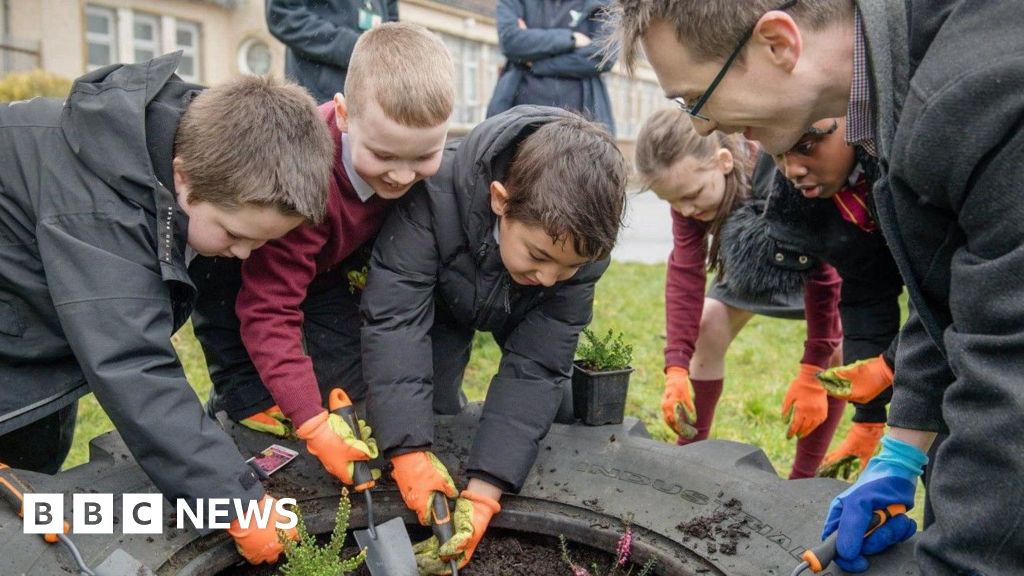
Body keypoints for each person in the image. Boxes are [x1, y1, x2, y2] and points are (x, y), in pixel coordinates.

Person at [612, 1, 1024, 573]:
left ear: (778, 43)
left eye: (696, 99)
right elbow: (953, 299)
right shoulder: (895, 105)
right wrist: (901, 455)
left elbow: (1009, 374)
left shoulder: (979, 97)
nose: (703, 127)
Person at [0, 53, 335, 564]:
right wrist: (236, 502)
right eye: (237, 236)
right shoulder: (100, 204)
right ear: (184, 179)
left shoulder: (214, 151)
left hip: (34, 331)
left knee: (33, 485)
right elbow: (132, 362)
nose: (244, 253)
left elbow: (221, 290)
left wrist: (246, 393)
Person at [360, 106, 627, 573]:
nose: (550, 278)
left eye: (569, 268)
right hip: (440, 298)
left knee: (553, 407)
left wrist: (486, 491)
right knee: (429, 408)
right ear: (501, 199)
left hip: (514, 305)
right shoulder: (435, 193)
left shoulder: (575, 254)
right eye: (539, 255)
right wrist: (407, 450)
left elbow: (537, 365)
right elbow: (396, 323)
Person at [191, 23, 455, 489]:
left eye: (424, 157)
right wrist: (312, 423)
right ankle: (234, 403)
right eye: (383, 154)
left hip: (330, 269)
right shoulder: (306, 184)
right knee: (255, 381)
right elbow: (269, 308)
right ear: (345, 114)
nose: (401, 175)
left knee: (348, 392)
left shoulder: (406, 163)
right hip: (242, 268)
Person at [635, 108, 846, 480]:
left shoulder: (778, 166)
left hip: (813, 264)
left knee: (837, 355)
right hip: (749, 264)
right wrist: (676, 367)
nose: (686, 209)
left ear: (724, 161)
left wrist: (813, 369)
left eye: (692, 195)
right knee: (708, 326)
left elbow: (825, 276)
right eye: (673, 202)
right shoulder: (690, 196)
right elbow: (686, 272)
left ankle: (802, 480)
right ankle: (689, 463)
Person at [767, 117, 902, 479]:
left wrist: (891, 362)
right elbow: (866, 296)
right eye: (778, 157)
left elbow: (954, 294)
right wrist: (869, 419)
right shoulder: (838, 196)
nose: (791, 170)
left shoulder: (904, 165)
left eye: (807, 147)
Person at [487, 0, 617, 134]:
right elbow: (511, 40)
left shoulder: (602, 3)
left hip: (583, 130)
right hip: (516, 126)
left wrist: (537, 62)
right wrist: (571, 38)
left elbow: (605, 55)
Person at [266, 0, 399, 103]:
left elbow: (391, 20)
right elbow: (282, 14)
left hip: (370, 95)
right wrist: (352, 45)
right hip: (318, 95)